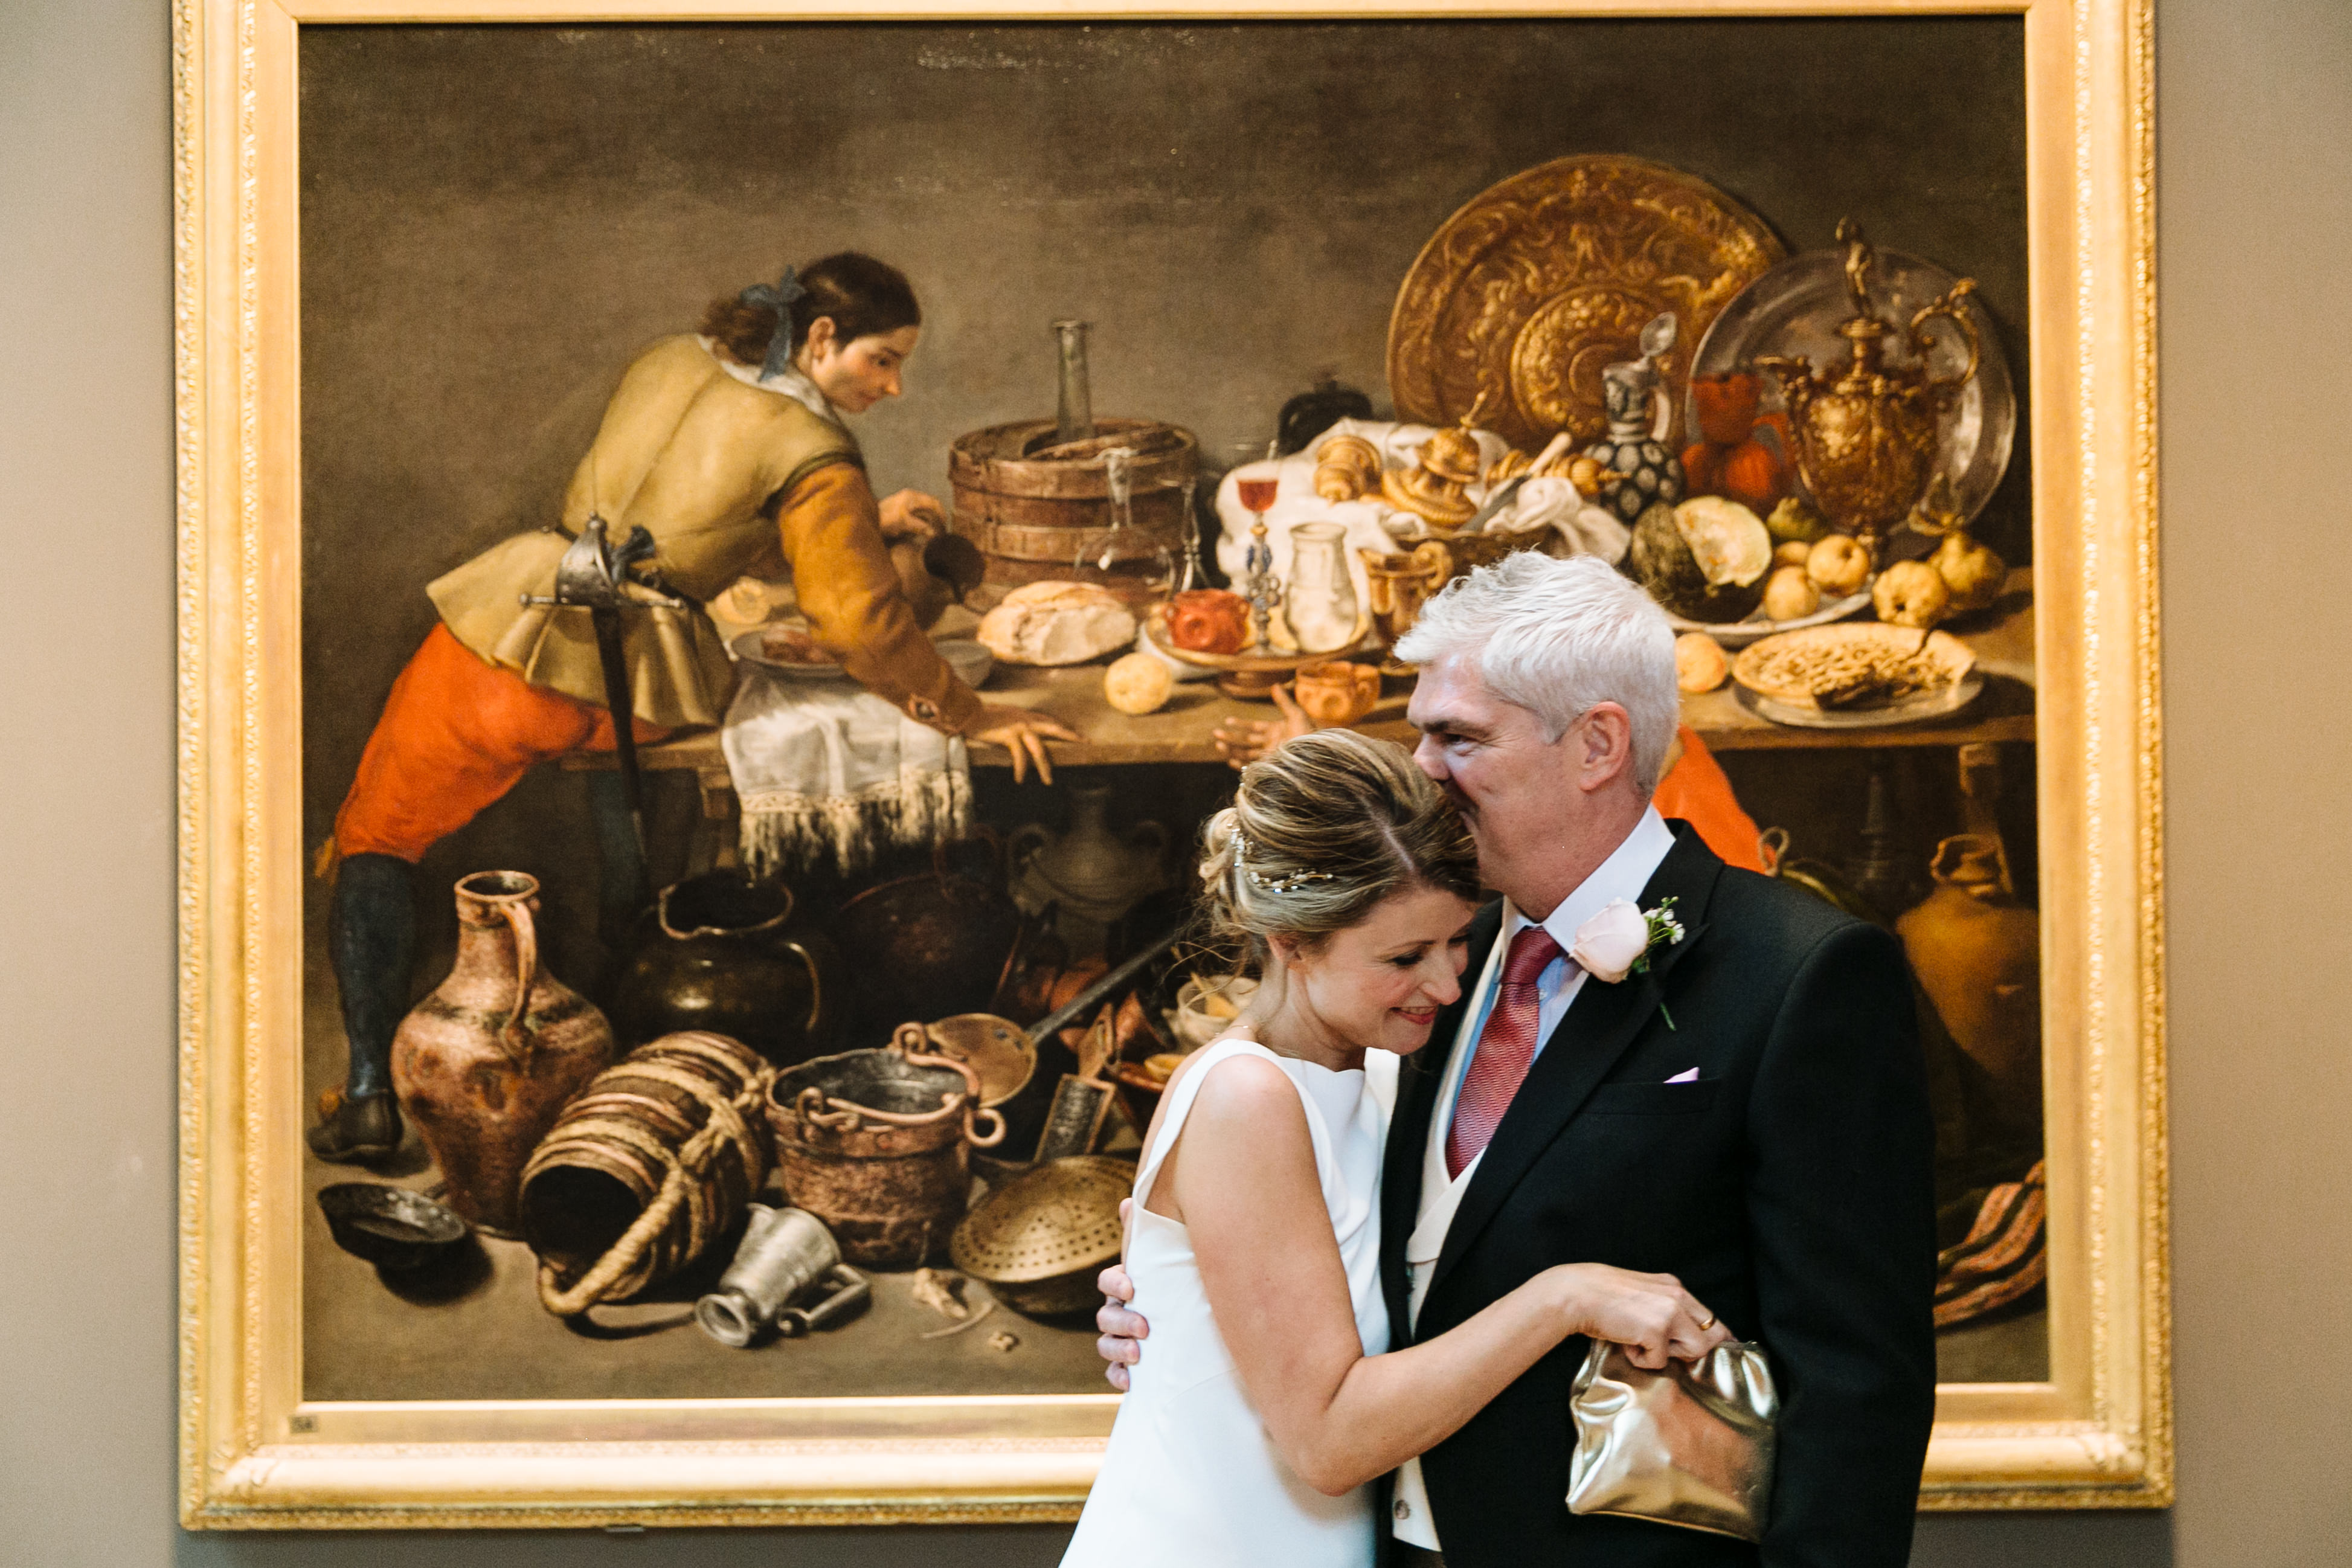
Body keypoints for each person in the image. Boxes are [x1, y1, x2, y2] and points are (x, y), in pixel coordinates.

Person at [1100, 553, 1938, 1567]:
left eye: (1458, 736)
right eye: (1418, 733)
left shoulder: (1800, 974)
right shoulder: (1415, 961)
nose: (1421, 768)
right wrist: (1186, 1305)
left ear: (1595, 744)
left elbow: (1856, 1392)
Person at [309, 251, 1078, 1162]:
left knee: (376, 838)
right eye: (882, 360)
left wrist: (861, 523)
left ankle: (366, 1094)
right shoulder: (815, 453)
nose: (896, 386)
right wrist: (969, 713)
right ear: (821, 337)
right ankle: (633, 1037)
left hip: (502, 635)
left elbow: (683, 521)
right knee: (630, 804)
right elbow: (856, 622)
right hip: (630, 684)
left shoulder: (670, 357)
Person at [1062, 728, 1730, 1568]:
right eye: (1403, 957)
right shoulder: (1248, 1096)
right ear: (1290, 943)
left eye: (1458, 940)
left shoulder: (1381, 1069)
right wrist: (1565, 1297)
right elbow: (1328, 1444)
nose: (1449, 984)